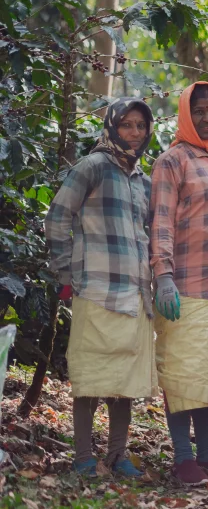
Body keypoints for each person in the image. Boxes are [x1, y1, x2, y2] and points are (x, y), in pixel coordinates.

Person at [44, 98, 157, 479]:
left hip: (135, 294)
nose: (135, 133)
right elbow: (57, 217)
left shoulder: (143, 180)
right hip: (95, 289)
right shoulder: (92, 166)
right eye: (127, 124)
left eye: (140, 126)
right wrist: (65, 273)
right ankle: (83, 458)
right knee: (90, 375)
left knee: (124, 380)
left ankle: (118, 456)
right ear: (111, 127)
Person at [149, 81, 208, 485]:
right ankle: (183, 458)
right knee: (182, 375)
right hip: (186, 288)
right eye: (199, 111)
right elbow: (160, 223)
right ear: (186, 115)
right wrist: (163, 277)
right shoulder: (172, 161)